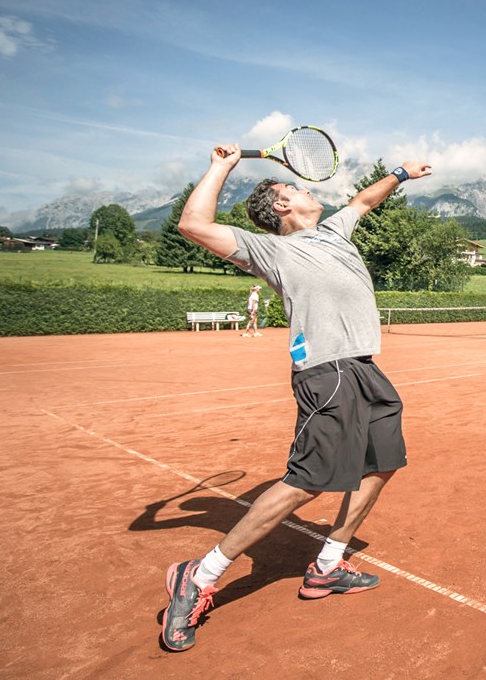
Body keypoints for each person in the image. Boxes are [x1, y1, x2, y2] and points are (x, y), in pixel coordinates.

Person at [161, 145, 432, 652]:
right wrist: (221, 166)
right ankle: (201, 573)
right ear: (282, 205)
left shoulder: (334, 231)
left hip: (366, 368)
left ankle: (328, 565)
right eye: (297, 187)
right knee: (307, 482)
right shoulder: (270, 249)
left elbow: (364, 201)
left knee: (382, 463)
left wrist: (400, 173)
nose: (309, 190)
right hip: (326, 373)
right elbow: (193, 225)